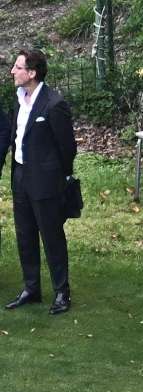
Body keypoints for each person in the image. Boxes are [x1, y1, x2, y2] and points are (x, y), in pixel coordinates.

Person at [4, 49, 76, 315]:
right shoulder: (18, 99)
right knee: (25, 235)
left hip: (46, 181)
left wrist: (59, 177)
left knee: (51, 236)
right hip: (21, 176)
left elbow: (67, 147)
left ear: (32, 73)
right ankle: (31, 288)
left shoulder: (54, 104)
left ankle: (62, 292)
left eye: (18, 67)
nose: (12, 71)